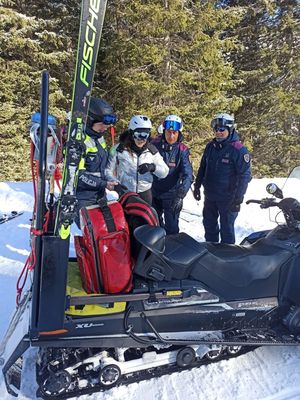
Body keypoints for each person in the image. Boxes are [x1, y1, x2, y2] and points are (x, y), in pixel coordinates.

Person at [193, 112, 251, 244]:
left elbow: (245, 176)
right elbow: (203, 167)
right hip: (211, 196)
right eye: (216, 129)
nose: (218, 132)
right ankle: (211, 251)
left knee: (226, 229)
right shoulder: (210, 147)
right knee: (209, 225)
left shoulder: (238, 150)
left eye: (221, 129)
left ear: (230, 130)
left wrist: (238, 199)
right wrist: (197, 186)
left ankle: (227, 258)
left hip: (228, 198)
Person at [105, 115, 169, 204]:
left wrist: (153, 167)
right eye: (138, 135)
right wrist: (115, 184)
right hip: (124, 193)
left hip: (145, 194)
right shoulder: (118, 150)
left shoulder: (152, 151)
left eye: (145, 135)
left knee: (144, 218)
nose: (142, 139)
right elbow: (108, 170)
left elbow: (165, 172)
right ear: (131, 133)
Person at [75, 97, 118, 226]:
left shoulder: (99, 138)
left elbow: (101, 168)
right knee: (92, 233)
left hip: (100, 196)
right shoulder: (79, 141)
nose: (105, 128)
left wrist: (113, 179)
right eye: (102, 124)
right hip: (84, 198)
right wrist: (104, 184)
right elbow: (78, 176)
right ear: (89, 121)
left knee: (106, 231)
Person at [151, 115, 193, 234]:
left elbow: (188, 175)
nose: (171, 136)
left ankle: (172, 250)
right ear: (163, 131)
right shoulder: (154, 145)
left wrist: (180, 195)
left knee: (172, 229)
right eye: (169, 132)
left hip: (172, 195)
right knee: (154, 226)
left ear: (179, 133)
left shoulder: (182, 150)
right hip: (153, 193)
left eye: (174, 132)